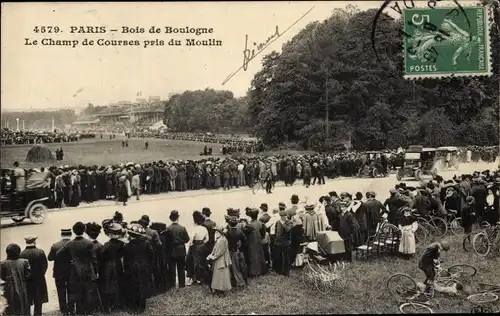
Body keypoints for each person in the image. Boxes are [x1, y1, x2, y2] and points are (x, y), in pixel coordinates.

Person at [56, 221, 98, 316]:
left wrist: (69, 261)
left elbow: (59, 253)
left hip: (74, 272)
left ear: (74, 231)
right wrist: (95, 271)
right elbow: (94, 259)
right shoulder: (88, 243)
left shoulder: (70, 244)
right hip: (86, 271)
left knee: (76, 292)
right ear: (84, 230)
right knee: (87, 292)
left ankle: (78, 311)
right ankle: (87, 312)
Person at [122, 223, 155, 313]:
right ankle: (142, 306)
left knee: (134, 287)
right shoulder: (146, 243)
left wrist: (126, 269)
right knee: (143, 285)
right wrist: (148, 265)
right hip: (144, 267)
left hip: (132, 269)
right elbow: (151, 255)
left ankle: (135, 306)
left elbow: (126, 260)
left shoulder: (127, 246)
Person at [99, 223, 126, 313]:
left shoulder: (107, 245)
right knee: (118, 283)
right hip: (118, 265)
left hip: (108, 267)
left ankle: (108, 306)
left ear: (110, 234)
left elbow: (102, 257)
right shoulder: (122, 244)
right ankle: (118, 303)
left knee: (108, 286)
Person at [19, 236, 48, 316]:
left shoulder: (21, 253)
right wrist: (41, 274)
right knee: (38, 301)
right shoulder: (40, 252)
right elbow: (45, 265)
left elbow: (22, 268)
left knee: (28, 300)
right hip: (39, 280)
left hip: (27, 281)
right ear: (34, 242)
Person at [0, 243, 30, 316]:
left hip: (9, 290)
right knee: (24, 306)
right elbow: (28, 275)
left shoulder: (3, 264)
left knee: (11, 308)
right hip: (22, 288)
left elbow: (2, 278)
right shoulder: (24, 262)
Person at [48, 229, 72, 315]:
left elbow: (50, 258)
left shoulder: (55, 245)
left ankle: (63, 309)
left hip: (59, 272)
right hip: (71, 271)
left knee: (61, 291)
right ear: (71, 234)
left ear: (61, 235)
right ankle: (71, 307)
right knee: (71, 290)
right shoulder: (73, 244)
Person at [164, 210, 190, 289]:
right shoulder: (182, 228)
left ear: (170, 218)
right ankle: (182, 284)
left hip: (171, 249)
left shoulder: (168, 229)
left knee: (172, 267)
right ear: (178, 218)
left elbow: (166, 241)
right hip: (181, 249)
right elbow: (187, 239)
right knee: (181, 267)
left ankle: (172, 284)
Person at [206, 226, 232, 295]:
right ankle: (218, 290)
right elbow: (215, 250)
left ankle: (220, 291)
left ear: (221, 233)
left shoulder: (222, 240)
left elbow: (219, 252)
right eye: (215, 232)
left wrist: (211, 257)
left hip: (222, 260)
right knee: (219, 275)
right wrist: (211, 255)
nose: (215, 233)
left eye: (217, 232)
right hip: (220, 260)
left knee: (221, 276)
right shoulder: (220, 239)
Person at [186, 211, 209, 285]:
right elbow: (207, 239)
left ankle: (194, 278)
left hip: (195, 246)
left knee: (192, 262)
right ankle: (201, 278)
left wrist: (190, 245)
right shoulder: (204, 229)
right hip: (202, 245)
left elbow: (191, 239)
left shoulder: (194, 229)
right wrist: (202, 242)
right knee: (202, 261)